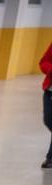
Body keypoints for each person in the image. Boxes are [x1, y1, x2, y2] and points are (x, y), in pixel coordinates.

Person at [40, 40, 52, 169]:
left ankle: (50, 158)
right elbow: (43, 62)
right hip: (50, 91)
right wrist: (51, 69)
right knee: (48, 120)